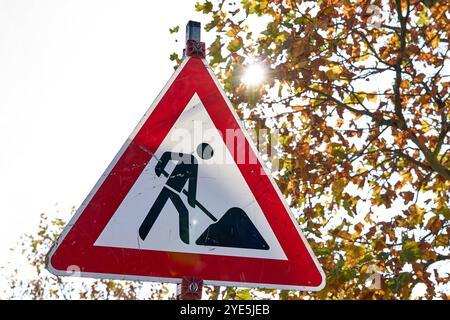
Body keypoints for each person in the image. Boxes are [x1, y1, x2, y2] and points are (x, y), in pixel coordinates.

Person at [138, 143, 213, 244]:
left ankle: (144, 232)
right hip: (169, 188)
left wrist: (191, 200)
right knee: (161, 209)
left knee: (171, 210)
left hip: (174, 191)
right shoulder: (189, 158)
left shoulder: (194, 162)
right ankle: (143, 232)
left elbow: (192, 184)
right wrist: (159, 168)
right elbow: (167, 155)